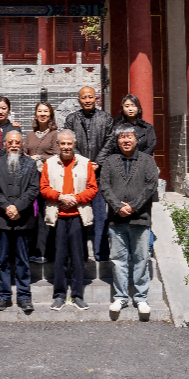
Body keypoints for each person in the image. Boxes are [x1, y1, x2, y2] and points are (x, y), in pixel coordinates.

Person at [99, 125, 160, 317]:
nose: (126, 140)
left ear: (136, 140)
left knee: (141, 259)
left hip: (140, 218)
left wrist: (133, 206)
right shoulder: (110, 161)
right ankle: (120, 297)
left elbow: (151, 186)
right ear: (117, 141)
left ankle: (141, 297)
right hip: (116, 219)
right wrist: (118, 206)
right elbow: (104, 186)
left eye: (129, 137)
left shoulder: (147, 160)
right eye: (122, 137)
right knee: (118, 260)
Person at [40, 129, 97, 311]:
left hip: (77, 216)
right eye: (63, 143)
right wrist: (60, 197)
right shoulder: (49, 163)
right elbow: (44, 188)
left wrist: (76, 198)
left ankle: (77, 295)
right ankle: (59, 295)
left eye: (69, 143)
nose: (66, 147)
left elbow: (92, 188)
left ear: (75, 144)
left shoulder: (85, 163)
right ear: (58, 144)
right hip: (58, 217)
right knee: (59, 257)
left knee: (78, 257)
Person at [0, 130, 39, 312]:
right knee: (2, 260)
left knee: (22, 260)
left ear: (22, 144)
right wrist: (7, 207)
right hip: (2, 218)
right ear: (5, 144)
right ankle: (3, 296)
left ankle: (24, 296)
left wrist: (17, 207)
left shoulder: (30, 164)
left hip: (23, 219)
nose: (14, 145)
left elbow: (33, 189)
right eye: (10, 142)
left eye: (17, 142)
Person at [63, 86, 113, 261]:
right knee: (80, 215)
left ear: (96, 98)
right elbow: (69, 142)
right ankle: (80, 254)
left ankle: (102, 253)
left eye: (90, 97)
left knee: (100, 215)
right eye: (84, 97)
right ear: (79, 100)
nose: (87, 100)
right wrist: (85, 163)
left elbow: (110, 141)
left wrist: (98, 161)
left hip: (100, 175)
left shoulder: (106, 118)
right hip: (78, 175)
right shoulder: (71, 119)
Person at [24, 102, 60, 264]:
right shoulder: (30, 135)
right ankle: (33, 250)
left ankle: (45, 251)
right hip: (31, 180)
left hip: (48, 180)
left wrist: (38, 157)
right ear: (35, 114)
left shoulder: (54, 134)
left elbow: (57, 155)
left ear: (50, 114)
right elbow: (25, 153)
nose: (43, 114)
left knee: (47, 214)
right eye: (40, 111)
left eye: (46, 111)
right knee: (32, 215)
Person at [97, 94, 157, 163]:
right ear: (122, 108)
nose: (130, 109)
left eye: (133, 106)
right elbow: (112, 146)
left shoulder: (147, 127)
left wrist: (138, 161)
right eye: (127, 106)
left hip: (142, 163)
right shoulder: (116, 126)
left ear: (138, 108)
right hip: (120, 163)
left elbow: (150, 147)